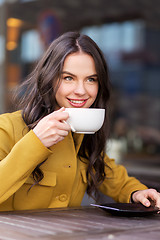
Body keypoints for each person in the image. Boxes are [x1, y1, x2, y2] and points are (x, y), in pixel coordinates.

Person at [0, 31, 160, 211]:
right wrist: (35, 142)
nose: (81, 90)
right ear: (49, 78)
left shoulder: (82, 133)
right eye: (68, 78)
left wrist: (136, 192)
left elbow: (109, 173)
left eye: (91, 79)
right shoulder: (6, 128)